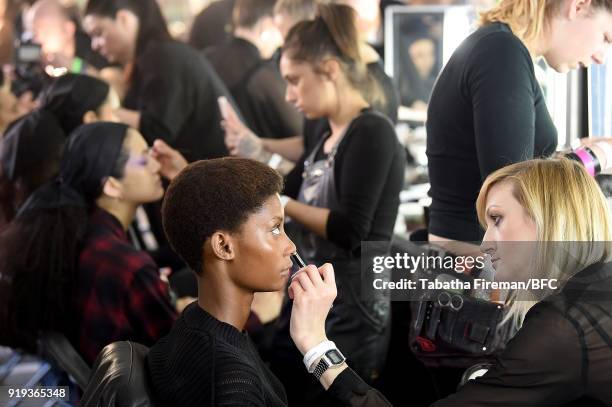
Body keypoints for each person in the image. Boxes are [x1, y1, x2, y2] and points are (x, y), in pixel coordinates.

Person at [292, 157, 612, 406]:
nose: (486, 242)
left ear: (548, 219)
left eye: (497, 219)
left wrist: (317, 348)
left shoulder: (562, 327)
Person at [146, 157, 391, 406]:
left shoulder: (194, 320)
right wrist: (317, 343)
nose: (290, 246)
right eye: (275, 229)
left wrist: (315, 344)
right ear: (223, 246)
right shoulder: (233, 387)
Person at [269, 4, 405, 406]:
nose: (289, 96)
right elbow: (281, 186)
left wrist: (285, 204)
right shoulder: (326, 132)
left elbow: (350, 229)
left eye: (295, 81)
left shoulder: (372, 131)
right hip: (319, 295)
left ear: (329, 69)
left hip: (356, 306)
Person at [426, 0, 612, 245]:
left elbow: (517, 169)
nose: (601, 57)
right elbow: (516, 194)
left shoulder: (499, 48)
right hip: (474, 267)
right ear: (577, 6)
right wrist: (598, 155)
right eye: (606, 38)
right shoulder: (501, 52)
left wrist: (576, 155)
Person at [0, 122, 177, 364]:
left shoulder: (74, 236)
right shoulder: (126, 265)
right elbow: (182, 355)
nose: (157, 165)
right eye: (144, 160)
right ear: (112, 185)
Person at [223, 0, 399, 176]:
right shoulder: (324, 96)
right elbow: (312, 145)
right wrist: (259, 145)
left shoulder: (366, 103)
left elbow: (337, 192)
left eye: (289, 36)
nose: (283, 47)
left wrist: (263, 155)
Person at [83, 0, 232, 162]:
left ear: (123, 19)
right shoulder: (155, 56)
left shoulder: (164, 56)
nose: (94, 46)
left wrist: (105, 112)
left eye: (98, 33)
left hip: (218, 178)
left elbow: (158, 130)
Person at [0, 73, 119, 227]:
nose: (117, 122)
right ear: (90, 118)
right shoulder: (60, 163)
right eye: (113, 114)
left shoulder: (32, 126)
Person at [204, 0, 302, 141]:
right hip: (252, 159)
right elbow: (297, 130)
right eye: (279, 29)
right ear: (266, 25)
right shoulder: (264, 71)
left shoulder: (206, 57)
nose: (281, 42)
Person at [27, 0, 108, 75]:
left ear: (68, 30)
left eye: (45, 32)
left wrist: (72, 65)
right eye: (34, 34)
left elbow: (107, 83)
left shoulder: (95, 50)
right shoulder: (36, 64)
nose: (38, 40)